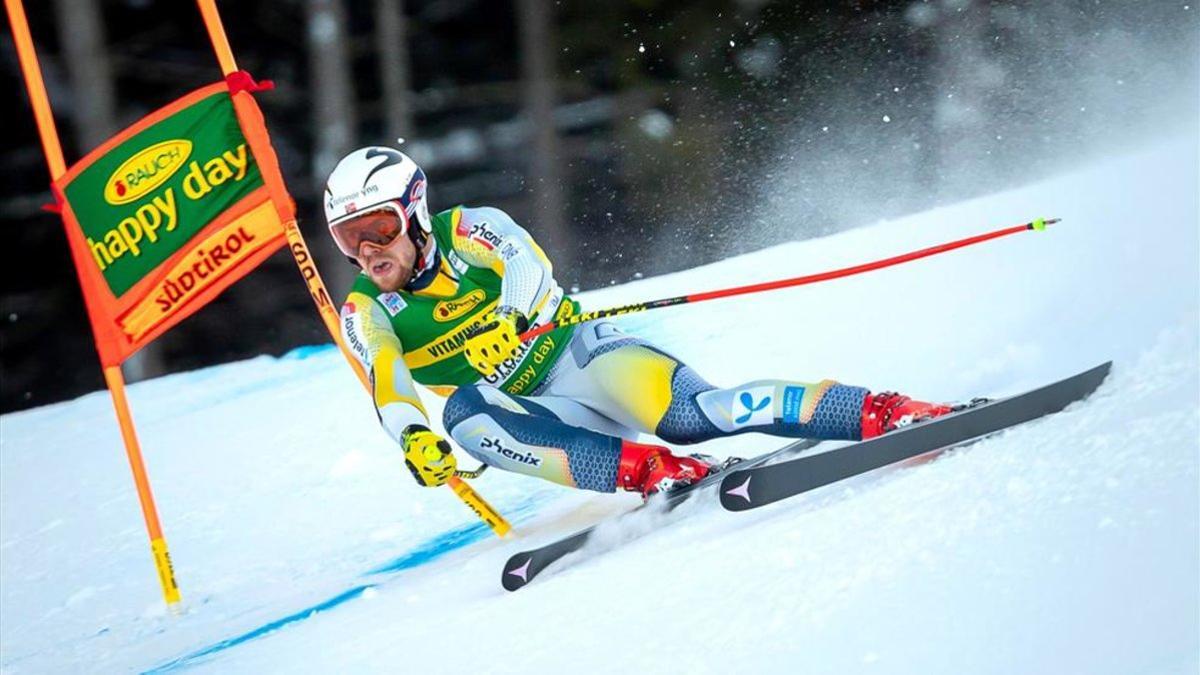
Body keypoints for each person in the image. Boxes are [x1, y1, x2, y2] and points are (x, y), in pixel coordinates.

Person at [328, 146, 955, 497]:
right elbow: (389, 385)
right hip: (542, 414)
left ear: (412, 211)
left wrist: (514, 319)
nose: (366, 250)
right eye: (347, 239)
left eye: (377, 227)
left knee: (693, 417)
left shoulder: (468, 229)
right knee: (465, 417)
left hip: (584, 360)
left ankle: (884, 412)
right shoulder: (366, 310)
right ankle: (652, 474)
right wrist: (415, 441)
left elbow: (526, 263)